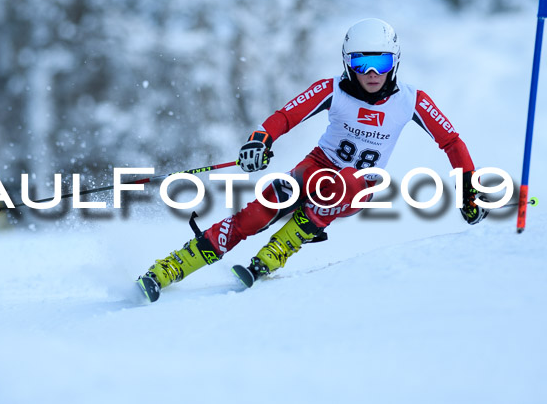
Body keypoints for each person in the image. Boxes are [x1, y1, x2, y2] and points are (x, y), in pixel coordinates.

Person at [137, 18, 487, 302]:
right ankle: (172, 267)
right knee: (260, 209)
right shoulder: (331, 89)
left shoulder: (412, 100)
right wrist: (261, 140)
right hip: (318, 164)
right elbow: (287, 115)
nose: (371, 73)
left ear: (395, 61)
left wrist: (468, 191)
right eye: (360, 62)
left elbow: (452, 142)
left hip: (360, 184)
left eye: (380, 62)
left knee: (345, 181)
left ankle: (284, 244)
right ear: (347, 63)